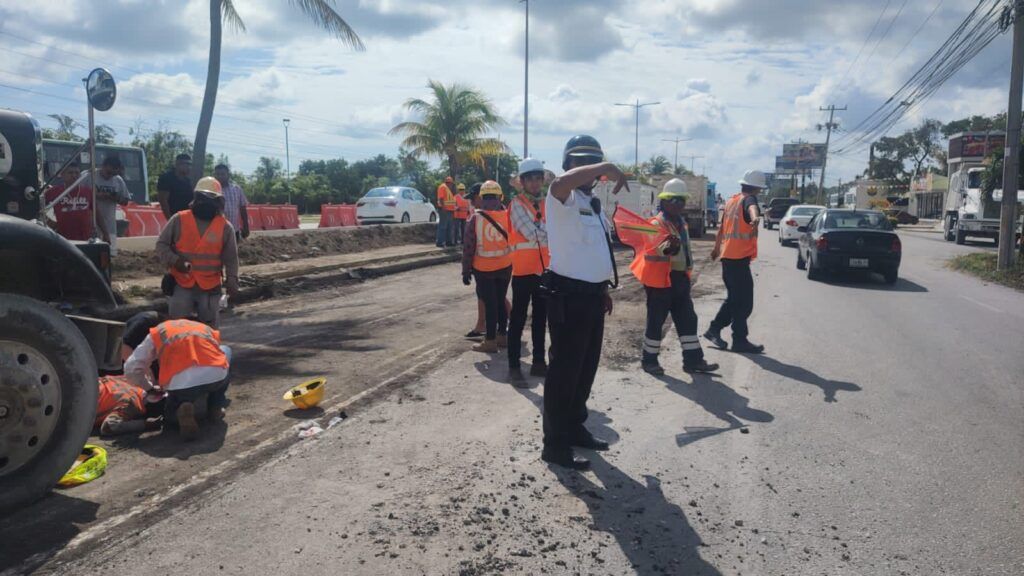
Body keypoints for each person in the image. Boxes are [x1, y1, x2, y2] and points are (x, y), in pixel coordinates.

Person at [542, 135, 626, 470]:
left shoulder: (593, 205)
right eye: (580, 162)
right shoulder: (560, 196)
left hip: (592, 296)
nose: (587, 170)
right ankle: (555, 444)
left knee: (584, 371)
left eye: (592, 163)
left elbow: (594, 250)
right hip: (568, 296)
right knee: (564, 371)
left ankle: (575, 428)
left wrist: (602, 288)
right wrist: (605, 165)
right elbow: (561, 182)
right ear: (569, 164)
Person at [632, 179, 719, 376]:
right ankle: (649, 360)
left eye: (681, 200)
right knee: (656, 322)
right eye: (674, 200)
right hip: (660, 281)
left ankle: (693, 361)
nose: (678, 204)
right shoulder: (656, 224)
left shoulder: (681, 223)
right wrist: (669, 246)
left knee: (688, 319)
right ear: (663, 201)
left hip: (679, 280)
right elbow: (660, 249)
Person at [124, 317, 231, 441]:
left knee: (170, 418)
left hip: (181, 386)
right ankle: (215, 407)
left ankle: (181, 408)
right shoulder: (204, 328)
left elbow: (131, 368)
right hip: (216, 377)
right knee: (226, 350)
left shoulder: (157, 333)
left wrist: (149, 388)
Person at [156, 176, 240, 327]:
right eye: (201, 198)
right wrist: (175, 261)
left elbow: (231, 258)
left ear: (218, 202)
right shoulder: (179, 219)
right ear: (195, 199)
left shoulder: (225, 227)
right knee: (177, 328)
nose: (205, 203)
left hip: (209, 287)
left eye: (210, 199)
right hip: (182, 284)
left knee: (209, 329)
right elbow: (162, 245)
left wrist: (232, 279)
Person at [704, 170, 767, 354]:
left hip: (728, 257)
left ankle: (723, 333)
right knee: (743, 302)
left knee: (735, 300)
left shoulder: (731, 201)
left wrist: (716, 249)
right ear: (756, 187)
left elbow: (722, 228)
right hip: (737, 260)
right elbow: (752, 208)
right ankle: (729, 335)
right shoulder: (749, 200)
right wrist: (755, 218)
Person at [507, 158, 550, 385]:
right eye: (530, 179)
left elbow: (543, 231)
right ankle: (514, 367)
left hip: (544, 271)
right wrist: (549, 231)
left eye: (538, 178)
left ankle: (539, 362)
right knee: (518, 319)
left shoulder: (548, 203)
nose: (534, 183)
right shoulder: (516, 204)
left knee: (541, 318)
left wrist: (544, 230)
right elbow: (530, 233)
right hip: (523, 271)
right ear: (522, 182)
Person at [462, 180, 512, 353]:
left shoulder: (475, 218)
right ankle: (502, 336)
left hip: (483, 269)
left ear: (481, 197)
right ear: (500, 197)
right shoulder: (508, 215)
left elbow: (469, 246)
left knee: (490, 304)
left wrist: (465, 270)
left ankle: (490, 341)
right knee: (500, 301)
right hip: (505, 266)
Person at [82, 156, 131, 255]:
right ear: (103, 166)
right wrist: (94, 196)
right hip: (90, 223)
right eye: (109, 172)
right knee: (91, 253)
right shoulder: (88, 176)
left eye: (114, 174)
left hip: (110, 224)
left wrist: (114, 197)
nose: (110, 176)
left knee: (109, 254)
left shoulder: (118, 180)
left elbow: (125, 201)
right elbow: (76, 194)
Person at [44, 162, 94, 241]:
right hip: (62, 239)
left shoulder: (87, 191)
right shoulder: (53, 191)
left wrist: (105, 233)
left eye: (77, 173)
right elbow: (39, 208)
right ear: (63, 175)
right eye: (70, 173)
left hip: (85, 238)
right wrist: (49, 222)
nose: (74, 175)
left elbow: (97, 213)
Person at [214, 163, 250, 241]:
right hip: (216, 230)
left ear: (228, 175)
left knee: (233, 252)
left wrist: (246, 226)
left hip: (234, 230)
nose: (220, 176)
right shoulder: (211, 190)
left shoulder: (236, 189)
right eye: (217, 174)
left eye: (223, 174)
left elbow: (243, 209)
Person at [158, 153, 195, 219]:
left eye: (190, 164)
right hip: (173, 217)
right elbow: (163, 201)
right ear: (178, 164)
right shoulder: (166, 178)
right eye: (186, 164)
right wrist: (170, 220)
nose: (189, 167)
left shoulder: (187, 181)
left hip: (186, 218)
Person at [436, 176, 457, 247]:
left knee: (449, 227)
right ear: (449, 183)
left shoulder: (447, 189)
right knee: (443, 226)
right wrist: (443, 208)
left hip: (449, 210)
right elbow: (441, 198)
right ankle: (440, 242)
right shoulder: (443, 187)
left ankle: (448, 241)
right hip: (444, 210)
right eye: (451, 184)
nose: (452, 185)